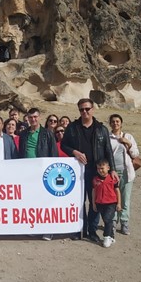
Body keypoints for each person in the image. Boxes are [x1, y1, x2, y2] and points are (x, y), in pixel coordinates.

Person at [61, 98, 117, 242]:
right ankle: (79, 229)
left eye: (87, 109)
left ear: (93, 109)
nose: (84, 112)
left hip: (96, 172)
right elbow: (63, 145)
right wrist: (75, 152)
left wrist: (113, 170)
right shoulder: (72, 128)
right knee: (78, 201)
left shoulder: (101, 129)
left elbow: (108, 151)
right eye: (81, 109)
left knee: (94, 202)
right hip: (78, 171)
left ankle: (92, 231)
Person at [18, 108, 58, 241]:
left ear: (39, 117)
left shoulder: (47, 133)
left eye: (35, 117)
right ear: (28, 119)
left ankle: (48, 229)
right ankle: (34, 226)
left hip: (43, 172)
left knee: (46, 201)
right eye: (30, 117)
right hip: (27, 172)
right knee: (31, 201)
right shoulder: (23, 134)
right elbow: (20, 153)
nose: (33, 120)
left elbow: (54, 153)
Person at [109, 114, 139, 235]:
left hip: (126, 172)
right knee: (113, 199)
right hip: (113, 172)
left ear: (121, 123)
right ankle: (113, 222)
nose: (115, 123)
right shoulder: (108, 137)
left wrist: (128, 143)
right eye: (113, 121)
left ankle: (124, 222)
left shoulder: (128, 136)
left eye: (117, 121)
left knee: (125, 199)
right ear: (110, 124)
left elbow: (135, 154)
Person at [92, 159, 121, 248]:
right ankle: (111, 236)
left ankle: (106, 237)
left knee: (108, 219)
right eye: (98, 169)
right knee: (105, 219)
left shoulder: (112, 178)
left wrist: (119, 203)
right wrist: (93, 203)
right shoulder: (95, 179)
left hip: (111, 203)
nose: (100, 170)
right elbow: (94, 191)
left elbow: (117, 191)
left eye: (102, 168)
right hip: (100, 203)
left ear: (108, 168)